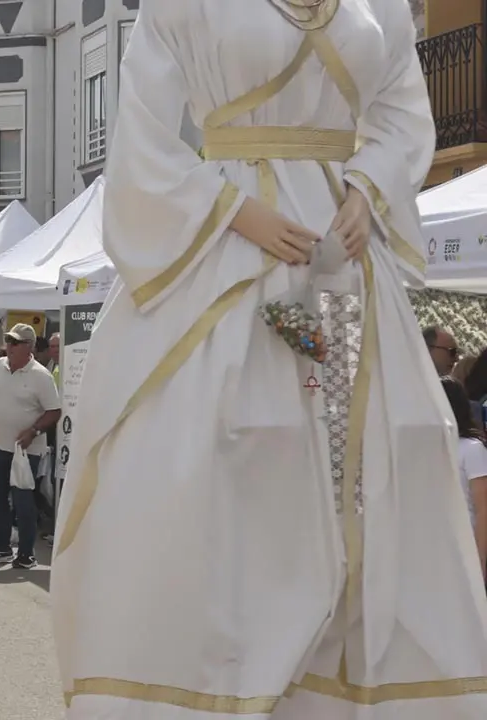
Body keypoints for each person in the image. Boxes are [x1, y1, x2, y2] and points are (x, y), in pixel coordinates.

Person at [51, 1, 487, 716]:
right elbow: (144, 136)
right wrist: (230, 210)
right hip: (228, 244)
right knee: (223, 453)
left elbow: (403, 110)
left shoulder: (379, 3)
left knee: (371, 457)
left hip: (346, 266)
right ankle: (219, 679)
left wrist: (367, 187)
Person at [0, 324, 61, 569]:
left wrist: (34, 431)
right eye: (8, 341)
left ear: (29, 347)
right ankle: (2, 547)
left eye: (15, 342)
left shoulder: (41, 376)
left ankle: (26, 553)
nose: (10, 346)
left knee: (23, 501)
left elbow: (54, 411)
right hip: (0, 446)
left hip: (26, 452)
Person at [443, 377, 487, 580]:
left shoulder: (471, 449)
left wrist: (480, 562)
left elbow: (483, 510)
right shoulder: (425, 449)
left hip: (465, 550)